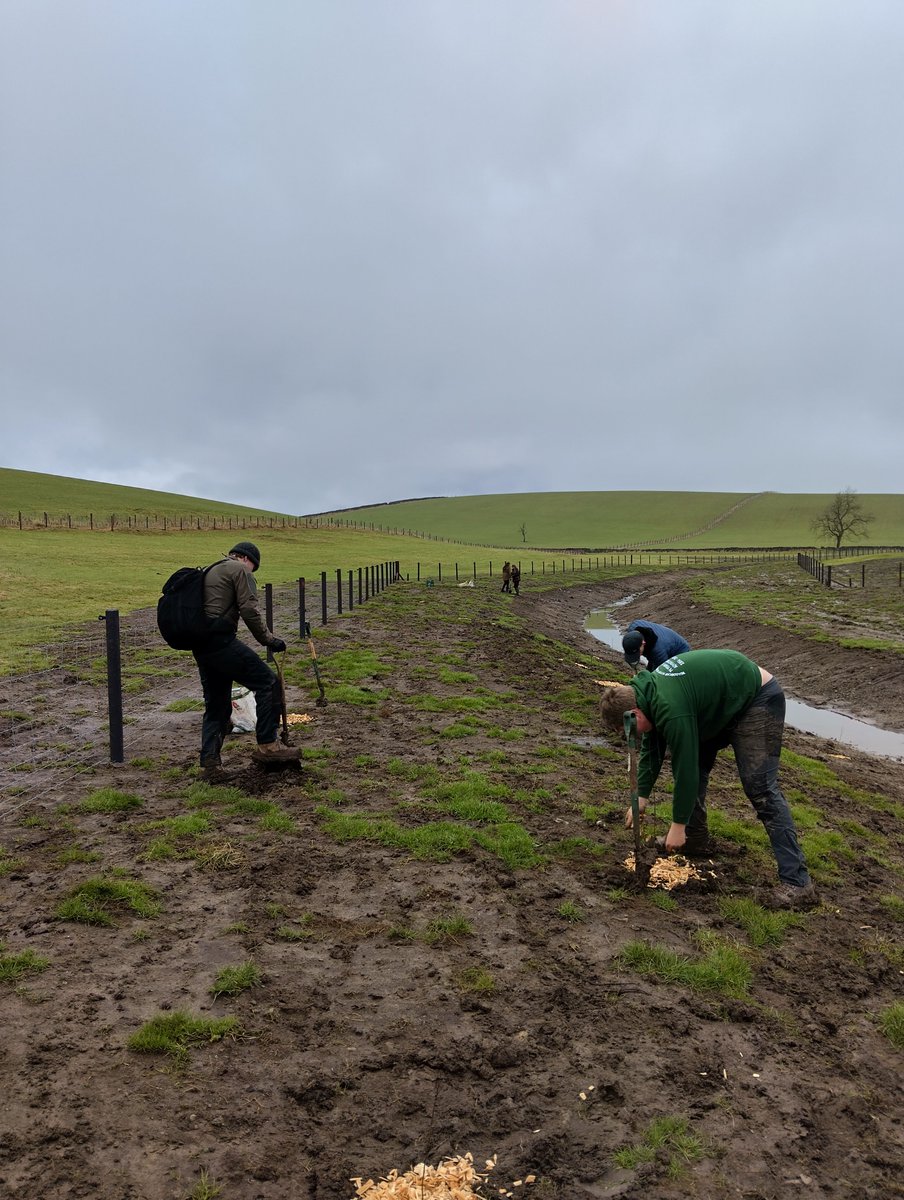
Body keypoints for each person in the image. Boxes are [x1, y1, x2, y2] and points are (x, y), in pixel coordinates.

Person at [598, 649, 818, 909]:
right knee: (699, 767)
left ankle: (797, 882)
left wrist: (677, 825)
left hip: (755, 699)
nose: (629, 738)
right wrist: (641, 797)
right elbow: (651, 750)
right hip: (715, 705)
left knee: (760, 789)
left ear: (635, 713)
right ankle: (696, 839)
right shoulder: (648, 695)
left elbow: (685, 767)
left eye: (628, 731)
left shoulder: (670, 707)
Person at [193, 541, 298, 773]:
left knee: (217, 704)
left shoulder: (213, 568)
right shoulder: (240, 570)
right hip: (220, 641)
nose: (252, 572)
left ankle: (210, 762)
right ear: (247, 559)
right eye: (254, 567)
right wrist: (269, 640)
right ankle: (268, 746)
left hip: (200, 645)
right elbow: (250, 609)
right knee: (268, 683)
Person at [622, 619, 690, 672]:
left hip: (680, 652)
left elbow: (660, 673)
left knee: (668, 675)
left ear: (643, 643)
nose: (639, 655)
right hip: (659, 644)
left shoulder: (658, 651)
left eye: (638, 653)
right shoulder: (632, 629)